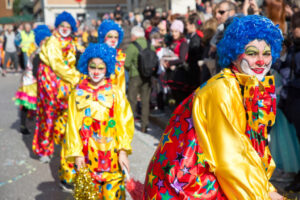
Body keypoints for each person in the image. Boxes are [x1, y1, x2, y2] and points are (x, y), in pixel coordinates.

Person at [143, 15, 284, 200]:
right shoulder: (222, 90)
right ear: (234, 54)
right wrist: (263, 195)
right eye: (251, 53)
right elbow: (231, 158)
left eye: (266, 53)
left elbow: (252, 149)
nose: (261, 61)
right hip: (185, 186)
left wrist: (266, 187)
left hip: (209, 175)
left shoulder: (248, 86)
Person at [64, 43, 134, 199]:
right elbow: (72, 127)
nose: (96, 72)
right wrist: (77, 154)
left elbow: (125, 122)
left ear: (107, 68)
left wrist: (123, 151)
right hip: (87, 159)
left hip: (112, 159)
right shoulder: (77, 93)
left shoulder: (116, 92)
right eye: (92, 67)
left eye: (101, 68)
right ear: (86, 66)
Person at [32, 11, 81, 163]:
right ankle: (44, 149)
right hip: (50, 81)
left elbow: (72, 62)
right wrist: (76, 77)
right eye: (62, 25)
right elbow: (57, 64)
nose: (65, 28)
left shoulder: (72, 42)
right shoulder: (53, 41)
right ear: (57, 26)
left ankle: (61, 141)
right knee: (48, 114)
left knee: (66, 113)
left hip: (65, 82)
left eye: (68, 26)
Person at [14, 25, 51, 135]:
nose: (47, 42)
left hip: (32, 80)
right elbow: (36, 70)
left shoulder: (42, 51)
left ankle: (29, 124)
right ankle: (24, 125)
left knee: (32, 105)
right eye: (44, 40)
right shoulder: (39, 53)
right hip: (31, 81)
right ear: (40, 41)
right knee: (28, 104)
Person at [125, 26, 155, 133]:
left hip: (135, 75)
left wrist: (133, 68)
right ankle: (144, 125)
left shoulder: (132, 47)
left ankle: (130, 124)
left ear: (134, 36)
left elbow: (126, 63)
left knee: (132, 100)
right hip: (147, 76)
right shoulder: (150, 45)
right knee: (145, 100)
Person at [162, 19, 189, 105]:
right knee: (174, 96)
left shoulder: (183, 43)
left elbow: (182, 59)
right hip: (171, 73)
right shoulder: (172, 42)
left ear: (180, 32)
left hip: (180, 73)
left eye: (176, 31)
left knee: (180, 97)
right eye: (172, 31)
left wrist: (170, 63)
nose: (174, 33)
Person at [98, 20, 126, 93]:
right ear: (104, 37)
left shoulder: (120, 56)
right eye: (110, 37)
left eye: (116, 37)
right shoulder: (98, 53)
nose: (113, 40)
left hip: (117, 94)